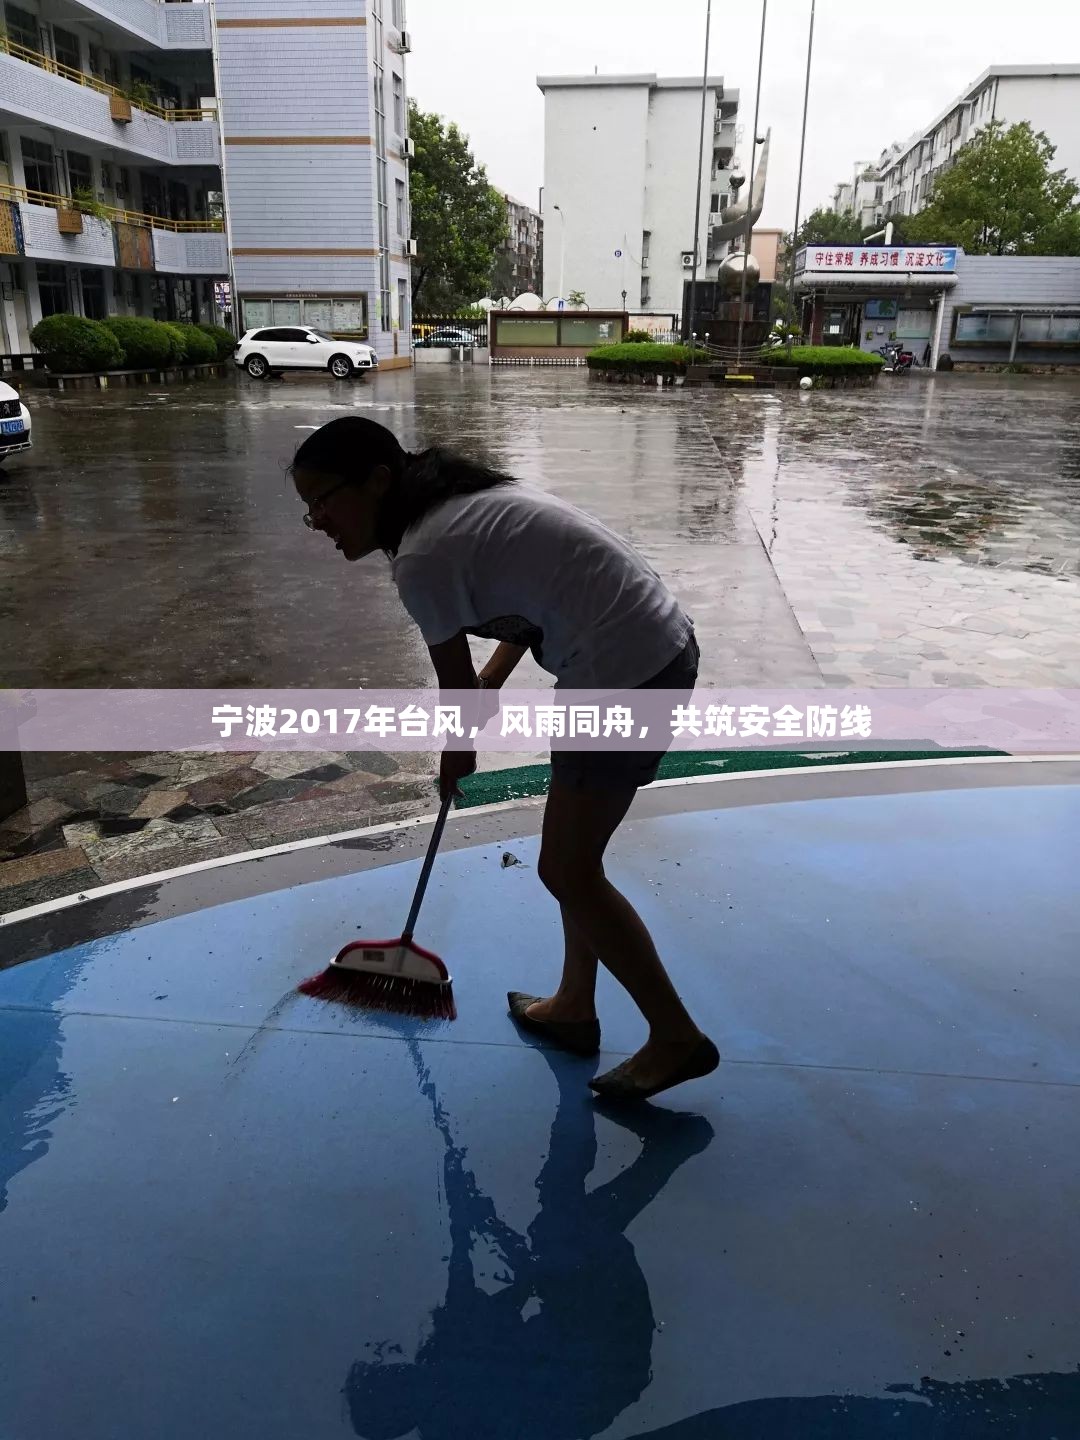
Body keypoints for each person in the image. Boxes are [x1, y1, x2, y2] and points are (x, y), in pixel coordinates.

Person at [291, 416, 718, 1101]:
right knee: (576, 864)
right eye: (307, 507)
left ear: (377, 481)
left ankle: (675, 1036)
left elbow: (454, 687)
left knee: (567, 869)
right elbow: (531, 596)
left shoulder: (423, 557)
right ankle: (575, 1003)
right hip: (645, 651)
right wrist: (493, 681)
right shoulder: (454, 510)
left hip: (626, 670)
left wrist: (457, 752)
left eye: (324, 501)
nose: (316, 520)